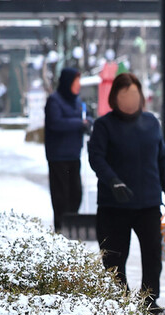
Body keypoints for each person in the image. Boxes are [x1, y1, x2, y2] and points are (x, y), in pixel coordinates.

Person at [88, 72, 165, 315]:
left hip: (147, 203)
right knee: (115, 257)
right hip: (113, 204)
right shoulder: (104, 125)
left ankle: (150, 299)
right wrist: (113, 181)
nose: (130, 100)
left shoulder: (151, 123)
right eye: (125, 95)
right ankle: (119, 299)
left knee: (152, 256)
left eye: (134, 95)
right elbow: (96, 158)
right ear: (115, 97)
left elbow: (162, 159)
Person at [44, 67, 91, 230]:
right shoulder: (54, 100)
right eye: (76, 81)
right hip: (58, 157)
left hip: (74, 155)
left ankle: (72, 224)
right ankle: (61, 226)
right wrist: (80, 123)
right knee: (61, 195)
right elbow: (56, 123)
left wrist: (87, 122)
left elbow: (85, 116)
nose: (78, 85)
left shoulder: (77, 101)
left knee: (75, 193)